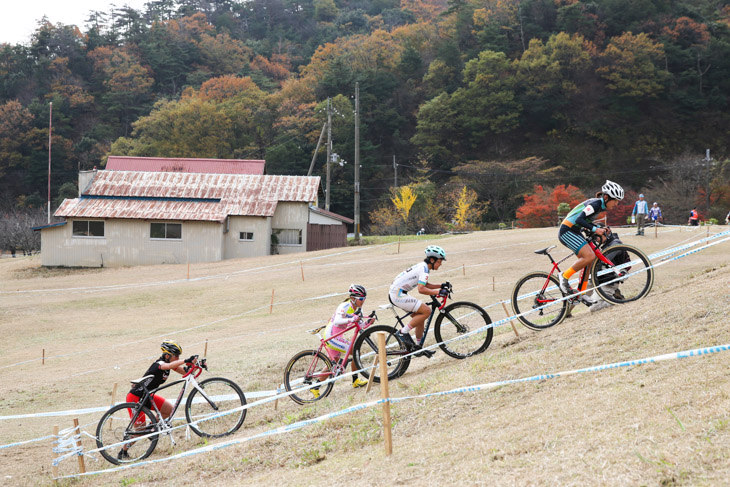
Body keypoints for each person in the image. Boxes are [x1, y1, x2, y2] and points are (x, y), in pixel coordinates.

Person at [119, 340, 197, 460]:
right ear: (167, 356)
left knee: (169, 410)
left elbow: (187, 372)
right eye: (176, 356)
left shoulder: (170, 364)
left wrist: (196, 365)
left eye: (179, 356)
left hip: (148, 396)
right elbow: (169, 366)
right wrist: (186, 360)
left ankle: (152, 429)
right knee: (139, 431)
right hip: (136, 397)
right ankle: (123, 451)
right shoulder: (160, 364)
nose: (178, 358)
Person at [558, 180, 624, 308]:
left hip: (574, 230)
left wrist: (601, 228)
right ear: (606, 197)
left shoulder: (599, 205)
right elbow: (579, 219)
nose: (616, 204)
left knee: (589, 262)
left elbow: (585, 221)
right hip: (567, 231)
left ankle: (581, 293)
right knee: (589, 256)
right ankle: (564, 276)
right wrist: (595, 229)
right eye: (615, 200)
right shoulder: (595, 204)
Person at [312, 284, 371, 397]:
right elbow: (337, 321)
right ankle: (355, 380)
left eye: (364, 298)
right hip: (332, 335)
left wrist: (369, 322)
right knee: (355, 350)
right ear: (353, 298)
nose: (363, 301)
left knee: (332, 362)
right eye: (361, 299)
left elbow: (360, 325)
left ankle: (315, 387)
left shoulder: (355, 308)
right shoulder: (345, 305)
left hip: (337, 336)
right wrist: (352, 318)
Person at [389, 245, 448, 356]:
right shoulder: (424, 268)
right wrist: (438, 292)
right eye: (439, 261)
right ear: (432, 260)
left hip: (398, 293)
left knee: (420, 317)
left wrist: (440, 286)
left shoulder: (424, 267)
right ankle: (402, 332)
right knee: (427, 311)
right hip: (397, 294)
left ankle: (418, 347)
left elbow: (425, 284)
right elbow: (421, 289)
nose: (440, 264)